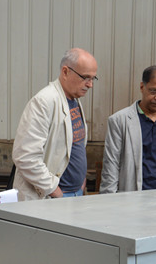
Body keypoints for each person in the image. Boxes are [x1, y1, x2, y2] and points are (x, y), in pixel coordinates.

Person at [12, 48, 98, 200]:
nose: (90, 84)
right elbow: (25, 156)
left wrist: (80, 179)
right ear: (65, 72)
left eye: (93, 78)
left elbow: (74, 147)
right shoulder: (44, 102)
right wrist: (54, 190)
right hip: (53, 197)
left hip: (74, 193)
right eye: (85, 78)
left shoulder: (74, 100)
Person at [100, 66, 156, 193]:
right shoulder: (119, 121)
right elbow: (111, 166)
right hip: (133, 197)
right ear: (142, 87)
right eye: (153, 91)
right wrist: (109, 200)